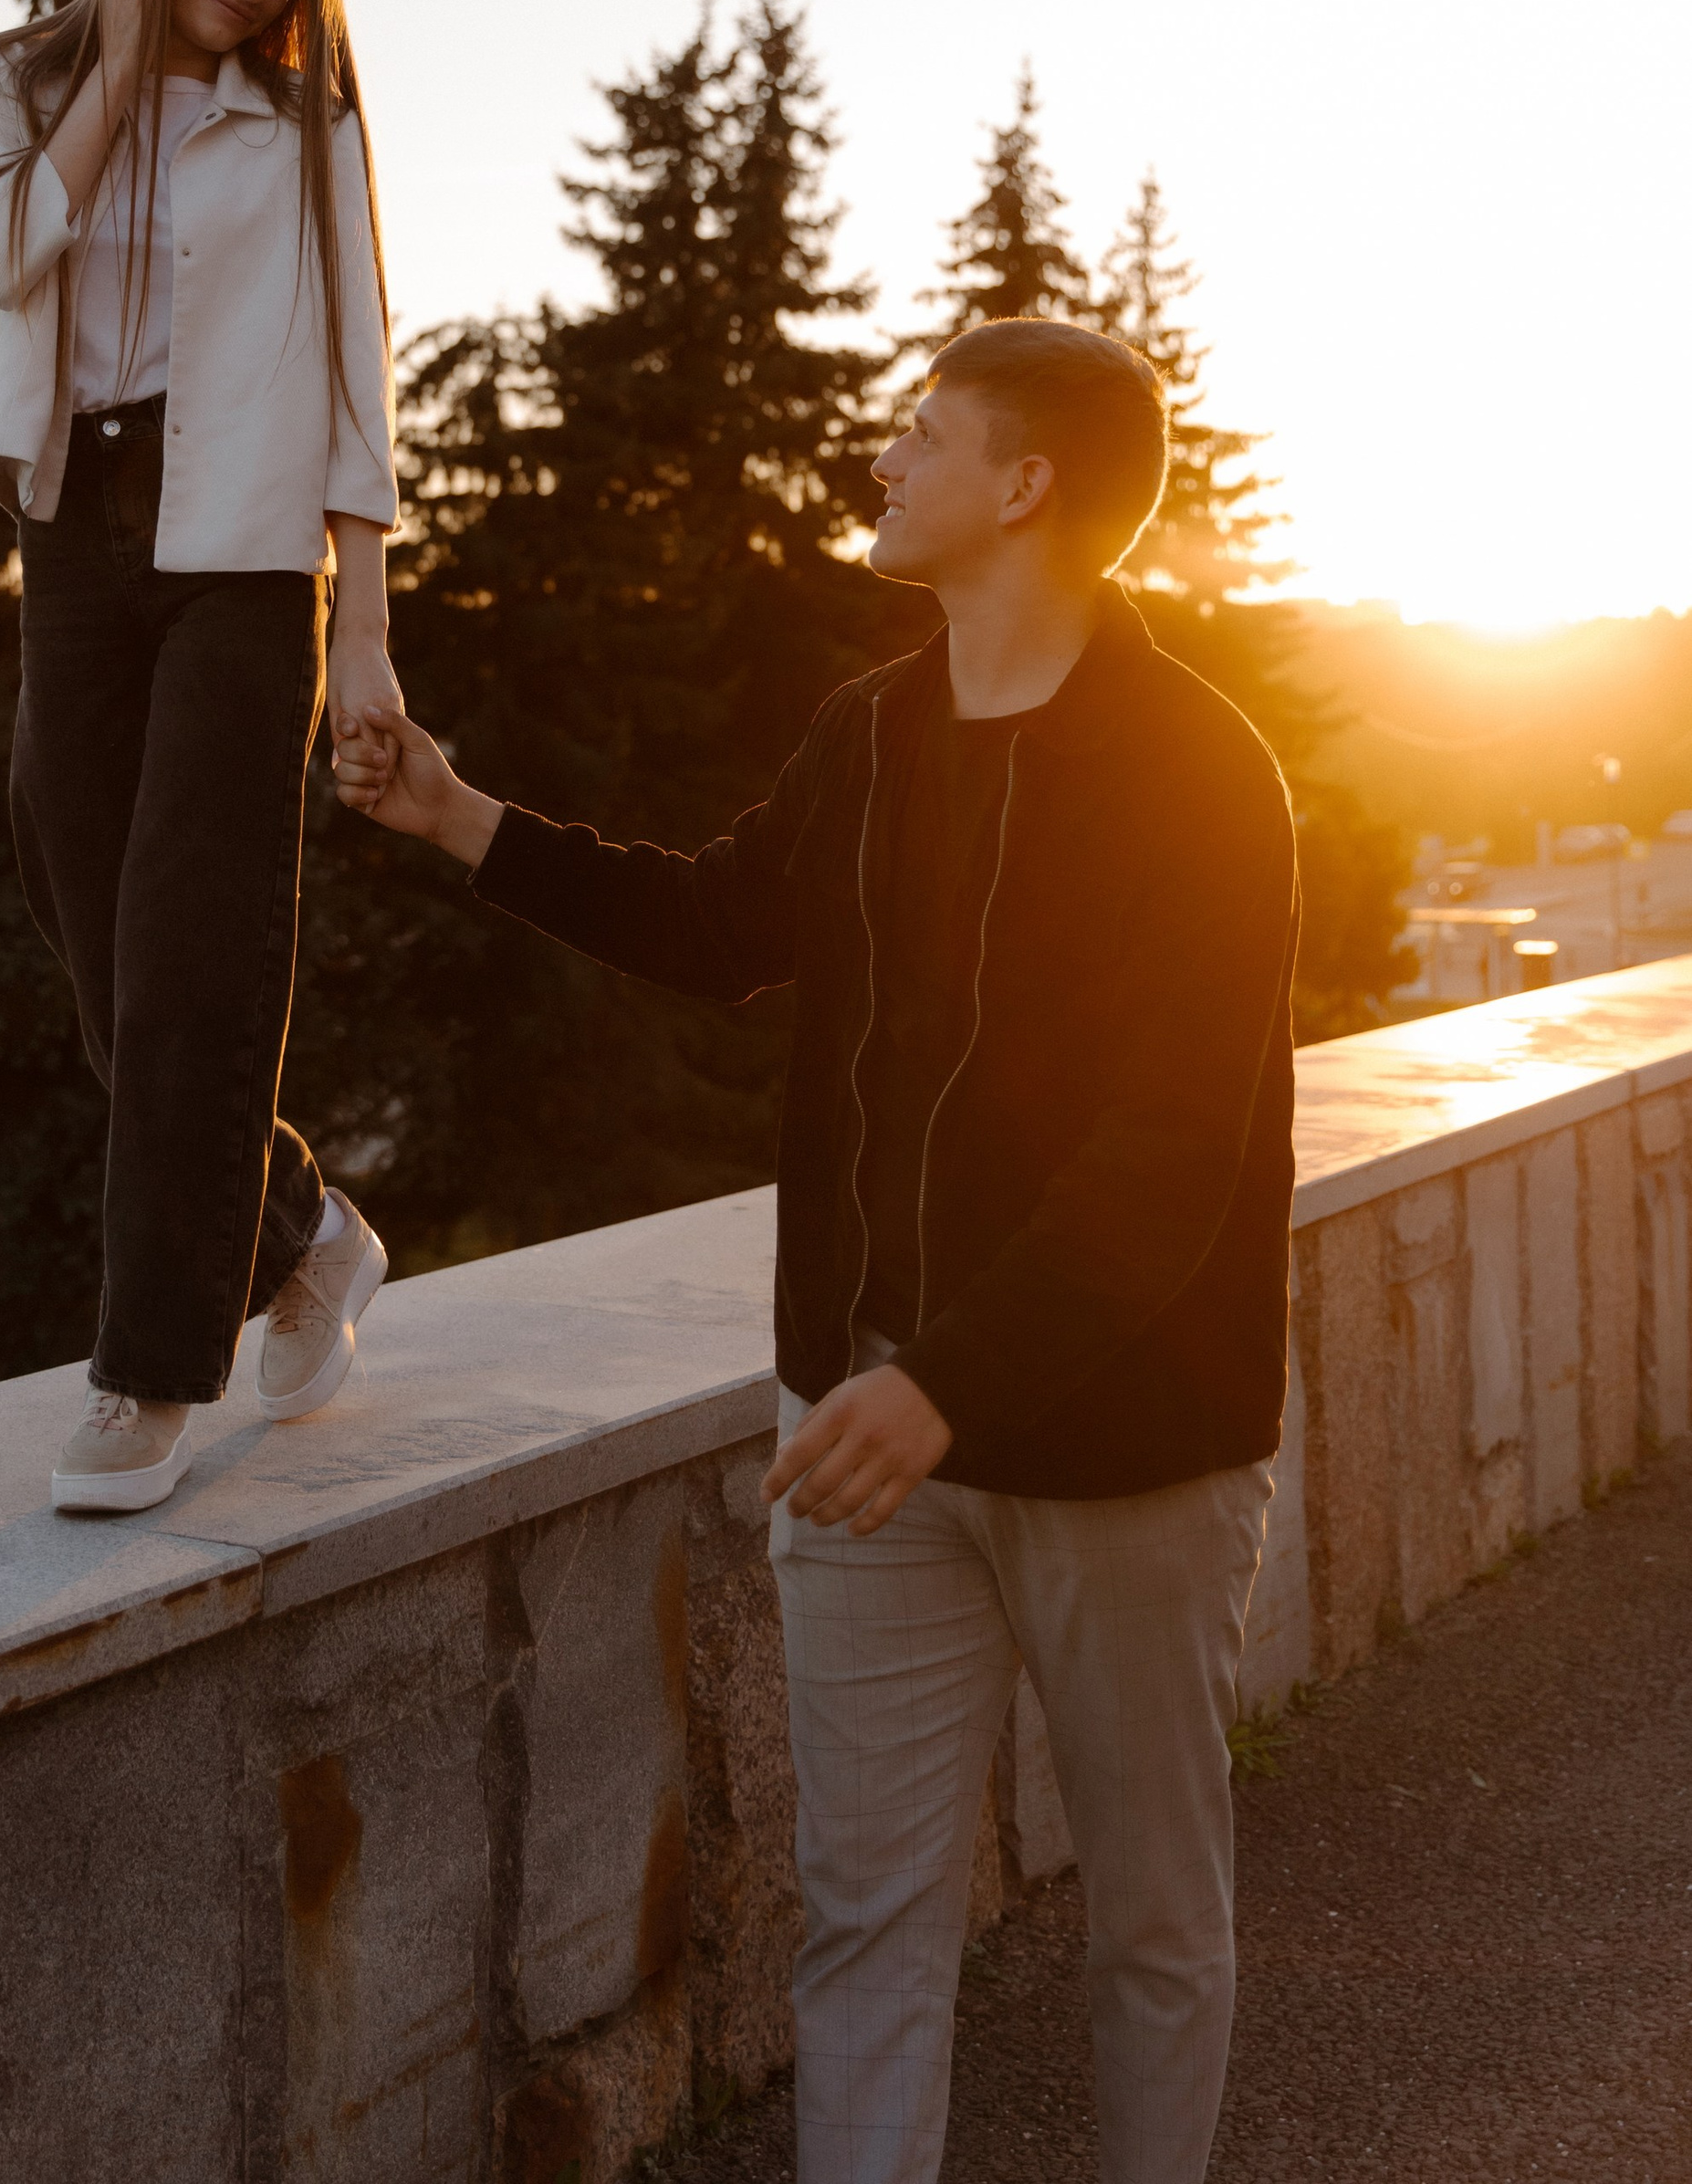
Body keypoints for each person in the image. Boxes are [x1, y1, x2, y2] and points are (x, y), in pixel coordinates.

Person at [332, 318, 1298, 2184]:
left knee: (1151, 1923)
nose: (883, 459)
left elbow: (1164, 1156)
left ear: (1022, 487)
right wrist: (457, 817)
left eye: (921, 435)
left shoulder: (1196, 771)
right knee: (864, 1927)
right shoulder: (866, 732)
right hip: (857, 1430)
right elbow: (715, 925)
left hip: (1123, 1455)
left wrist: (948, 1381)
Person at [0, 0, 400, 1514]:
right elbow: (0, 256)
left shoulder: (304, 121)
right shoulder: (5, 82)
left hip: (248, 550)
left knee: (195, 942)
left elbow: (359, 362)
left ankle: (147, 1377)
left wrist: (369, 638)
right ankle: (302, 1232)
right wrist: (120, 68)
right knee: (91, 914)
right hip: (75, 532)